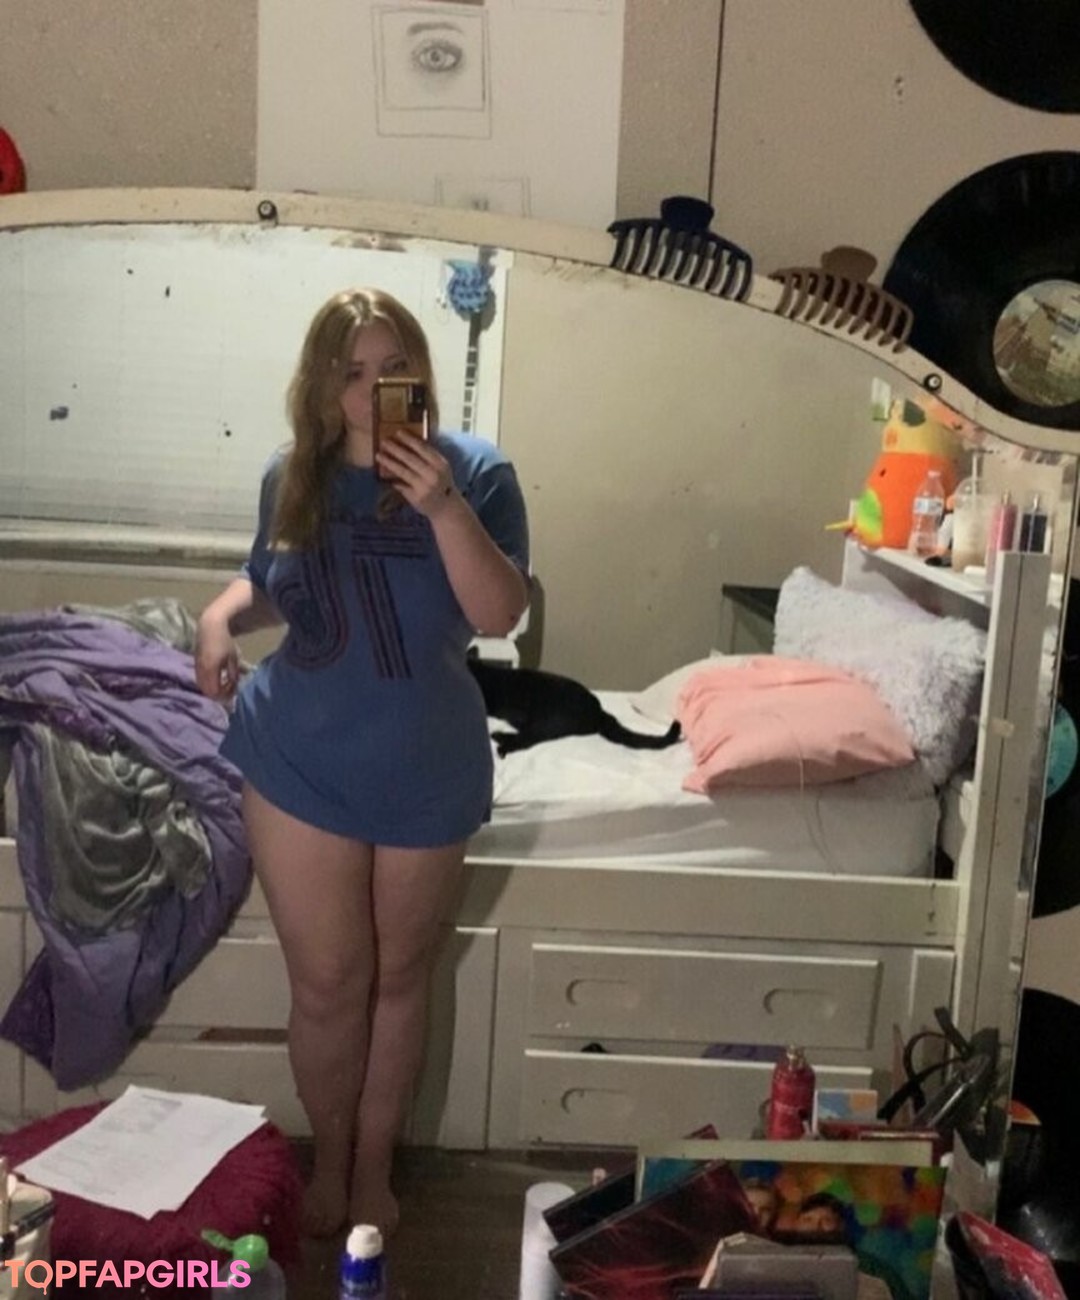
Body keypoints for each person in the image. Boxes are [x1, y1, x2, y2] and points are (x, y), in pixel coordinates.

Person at [194, 287, 530, 1239]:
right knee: (328, 984)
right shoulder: (291, 474)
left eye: (393, 367)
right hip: (299, 756)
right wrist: (219, 617)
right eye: (351, 371)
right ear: (321, 383)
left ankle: (373, 1171)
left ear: (420, 370)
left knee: (398, 981)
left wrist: (443, 506)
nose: (373, 388)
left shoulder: (477, 472)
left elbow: (500, 614)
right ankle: (330, 1159)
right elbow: (271, 582)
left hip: (427, 764)